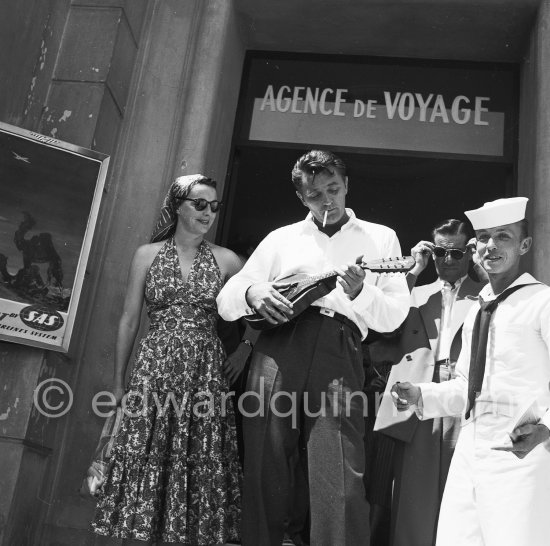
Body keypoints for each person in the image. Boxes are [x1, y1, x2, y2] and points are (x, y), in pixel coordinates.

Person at [216, 149, 410, 546]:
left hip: (339, 347)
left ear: (347, 186)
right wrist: (253, 291)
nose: (327, 200)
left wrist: (360, 293)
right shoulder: (281, 238)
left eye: (333, 189)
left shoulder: (380, 237)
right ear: (301, 198)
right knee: (264, 466)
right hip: (276, 348)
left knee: (339, 468)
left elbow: (394, 315)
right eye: (315, 194)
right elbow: (228, 297)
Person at [91, 174, 243, 545]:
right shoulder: (146, 254)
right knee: (146, 448)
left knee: (198, 450)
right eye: (200, 204)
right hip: (153, 365)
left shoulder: (228, 260)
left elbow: (254, 306)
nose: (209, 212)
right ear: (178, 206)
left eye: (214, 206)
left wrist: (245, 349)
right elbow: (129, 319)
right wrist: (117, 381)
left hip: (205, 371)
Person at [392, 197, 550, 546]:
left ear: (524, 245)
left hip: (520, 450)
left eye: (504, 236)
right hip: (469, 447)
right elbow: (467, 385)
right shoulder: (479, 310)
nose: (491, 245)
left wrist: (546, 429)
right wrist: (422, 394)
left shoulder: (542, 301)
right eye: (484, 237)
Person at [374, 219, 487, 546]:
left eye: (455, 252)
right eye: (440, 251)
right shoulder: (414, 292)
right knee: (413, 490)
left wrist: (480, 267)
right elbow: (382, 322)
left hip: (463, 388)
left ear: (468, 251)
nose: (447, 259)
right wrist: (413, 269)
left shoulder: (485, 293)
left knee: (462, 488)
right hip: (417, 389)